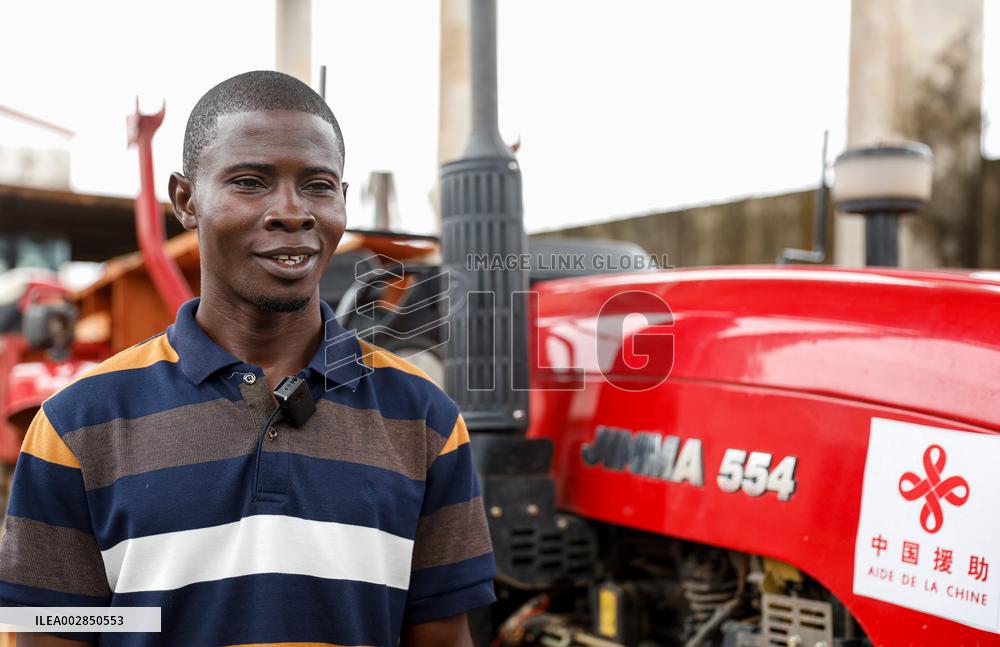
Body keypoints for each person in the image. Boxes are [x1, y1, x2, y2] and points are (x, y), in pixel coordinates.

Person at [0, 70, 496, 646]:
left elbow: (438, 636)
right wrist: (155, 613)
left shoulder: (426, 420)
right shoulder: (76, 425)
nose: (292, 211)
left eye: (317, 185)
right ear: (186, 200)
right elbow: (53, 629)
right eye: (250, 182)